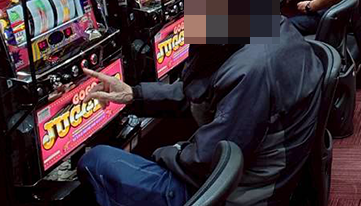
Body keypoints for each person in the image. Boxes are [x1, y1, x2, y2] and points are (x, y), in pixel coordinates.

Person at [77, 17, 324, 206]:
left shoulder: (251, 71)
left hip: (240, 193)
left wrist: (161, 153)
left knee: (97, 161)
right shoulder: (276, 28)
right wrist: (135, 94)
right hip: (274, 173)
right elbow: (206, 91)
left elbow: (203, 162)